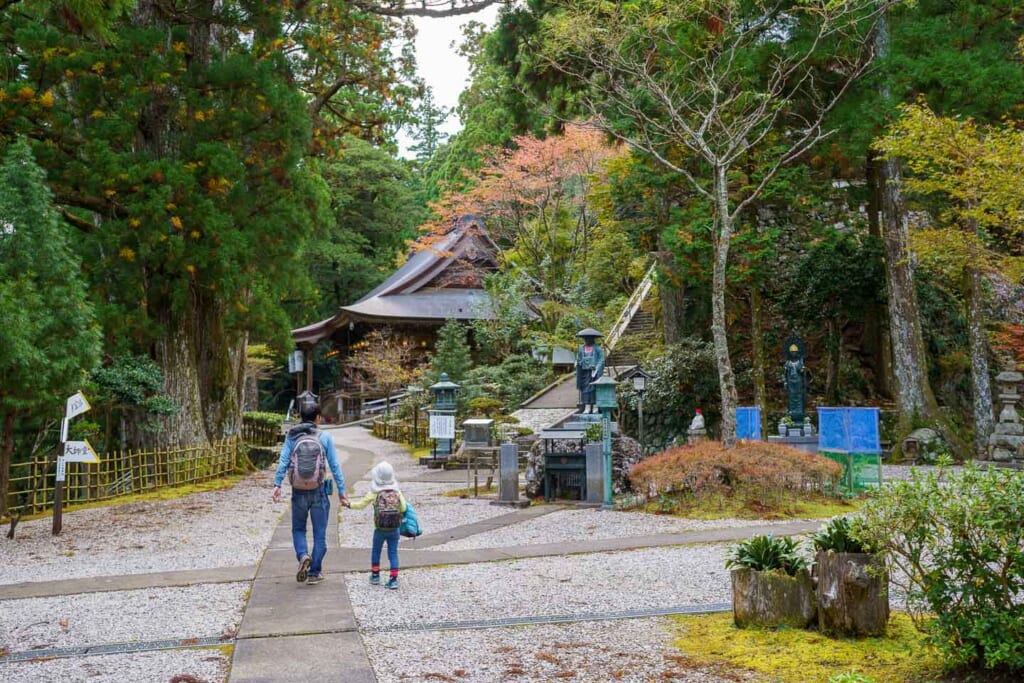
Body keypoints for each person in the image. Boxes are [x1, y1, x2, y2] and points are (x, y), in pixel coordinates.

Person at [272, 401, 349, 585]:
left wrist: (277, 484)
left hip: (298, 490)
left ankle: (302, 555)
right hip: (318, 490)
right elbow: (335, 466)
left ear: (300, 417)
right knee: (320, 533)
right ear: (318, 418)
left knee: (298, 529)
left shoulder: (292, 436)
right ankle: (314, 572)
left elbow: (283, 461)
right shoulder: (325, 437)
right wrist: (342, 491)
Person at [346, 461, 407, 590]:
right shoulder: (397, 492)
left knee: (376, 551)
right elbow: (403, 508)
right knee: (393, 553)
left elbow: (361, 504)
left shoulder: (374, 493)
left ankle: (375, 576)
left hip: (379, 528)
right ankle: (393, 579)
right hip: (394, 528)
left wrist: (348, 504)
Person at [575, 328, 606, 414]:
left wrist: (597, 368)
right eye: (586, 338)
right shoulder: (581, 349)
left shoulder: (597, 348)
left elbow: (602, 360)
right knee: (585, 389)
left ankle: (595, 407)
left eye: (589, 338)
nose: (587, 340)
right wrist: (577, 363)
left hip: (594, 373)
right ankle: (587, 407)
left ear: (593, 339)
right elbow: (579, 359)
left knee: (594, 389)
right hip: (584, 373)